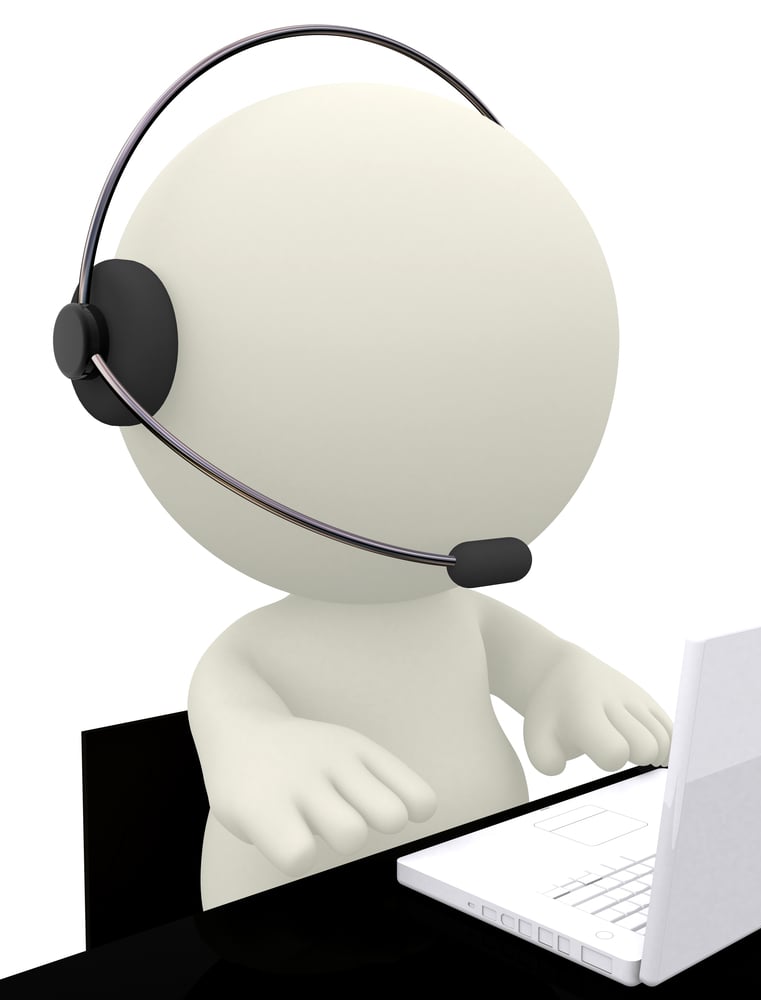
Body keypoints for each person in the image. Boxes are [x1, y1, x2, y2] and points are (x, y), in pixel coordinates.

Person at [116, 82, 672, 909]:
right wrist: (259, 748)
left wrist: (566, 677)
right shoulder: (251, 656)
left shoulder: (462, 612)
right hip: (299, 933)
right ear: (128, 368)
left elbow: (536, 661)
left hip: (488, 901)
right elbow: (232, 725)